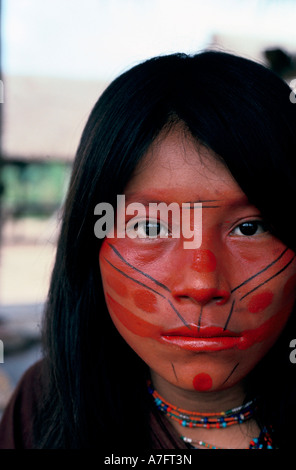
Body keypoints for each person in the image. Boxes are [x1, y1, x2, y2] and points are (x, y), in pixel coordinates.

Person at [1, 50, 296, 450]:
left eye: (250, 227)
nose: (201, 282)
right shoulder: (45, 404)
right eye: (149, 227)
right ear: (89, 246)